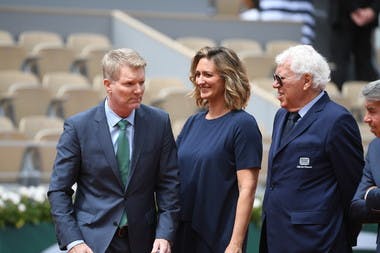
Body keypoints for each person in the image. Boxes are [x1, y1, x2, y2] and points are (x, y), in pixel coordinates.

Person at [48, 48, 180, 253]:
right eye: (129, 83)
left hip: (145, 243)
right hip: (92, 243)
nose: (138, 90)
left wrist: (164, 234)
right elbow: (59, 190)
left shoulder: (159, 123)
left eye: (141, 82)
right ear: (108, 85)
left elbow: (169, 186)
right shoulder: (78, 127)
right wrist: (74, 241)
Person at [259, 45, 364, 252]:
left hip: (317, 243)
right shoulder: (282, 115)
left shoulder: (337, 120)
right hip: (276, 238)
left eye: (281, 79)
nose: (274, 85)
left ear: (306, 81)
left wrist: (341, 238)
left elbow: (353, 189)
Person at [174, 46, 262, 253]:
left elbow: (247, 189)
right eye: (197, 74)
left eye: (207, 74)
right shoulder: (192, 123)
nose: (200, 80)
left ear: (228, 78)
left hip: (218, 238)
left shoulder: (243, 125)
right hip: (183, 233)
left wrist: (236, 243)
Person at [351, 80, 380, 252]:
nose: (366, 119)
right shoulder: (375, 148)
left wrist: (371, 194)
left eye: (372, 111)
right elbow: (356, 208)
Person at [329, 0, 380, 91]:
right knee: (339, 66)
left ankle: (368, 100)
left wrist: (373, 9)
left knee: (365, 65)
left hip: (367, 20)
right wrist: (355, 9)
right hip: (342, 16)